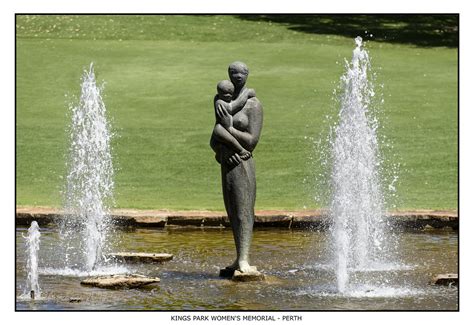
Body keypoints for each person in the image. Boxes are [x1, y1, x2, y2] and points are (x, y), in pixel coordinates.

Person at [210, 61, 263, 273]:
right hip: (228, 162)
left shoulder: (254, 105)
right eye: (233, 72)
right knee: (232, 211)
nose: (237, 76)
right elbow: (214, 136)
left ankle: (244, 260)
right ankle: (238, 258)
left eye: (241, 73)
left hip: (243, 162)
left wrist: (230, 130)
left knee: (243, 211)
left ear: (247, 74)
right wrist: (222, 152)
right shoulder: (221, 101)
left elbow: (251, 141)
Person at [212, 79, 255, 161]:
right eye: (225, 94)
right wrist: (246, 94)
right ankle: (241, 150)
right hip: (222, 132)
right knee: (218, 129)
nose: (228, 96)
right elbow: (232, 107)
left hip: (226, 133)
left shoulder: (220, 99)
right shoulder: (219, 102)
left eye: (230, 94)